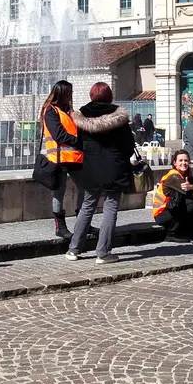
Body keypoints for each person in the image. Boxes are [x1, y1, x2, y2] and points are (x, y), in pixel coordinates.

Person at [66, 82, 135, 263]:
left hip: (91, 167)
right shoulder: (118, 117)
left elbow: (77, 143)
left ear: (91, 95)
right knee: (110, 207)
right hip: (114, 167)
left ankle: (73, 249)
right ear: (109, 95)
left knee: (87, 206)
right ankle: (103, 252)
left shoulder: (81, 116)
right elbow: (129, 145)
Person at [38, 80, 83, 239]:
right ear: (61, 93)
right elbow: (59, 135)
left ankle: (83, 223)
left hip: (73, 157)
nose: (71, 96)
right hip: (58, 158)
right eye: (68, 93)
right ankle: (60, 227)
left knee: (85, 188)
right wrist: (80, 141)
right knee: (59, 192)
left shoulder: (67, 111)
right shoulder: (50, 111)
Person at [152, 149, 193, 242]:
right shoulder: (173, 177)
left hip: (170, 211)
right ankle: (171, 233)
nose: (184, 163)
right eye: (180, 160)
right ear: (175, 163)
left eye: (186, 160)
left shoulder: (186, 175)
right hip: (162, 214)